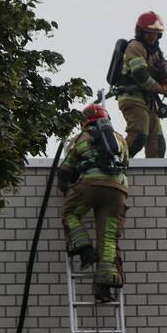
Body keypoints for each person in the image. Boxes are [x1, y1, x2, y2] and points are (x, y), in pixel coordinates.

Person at [58, 102, 130, 302]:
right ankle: (103, 288)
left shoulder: (81, 138)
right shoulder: (120, 140)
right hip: (118, 190)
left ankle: (85, 250)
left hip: (89, 185)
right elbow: (126, 165)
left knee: (71, 213)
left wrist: (63, 185)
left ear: (85, 122)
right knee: (107, 238)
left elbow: (65, 168)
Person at [114, 10, 167, 158]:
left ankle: (155, 175)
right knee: (138, 135)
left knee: (158, 143)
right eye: (149, 33)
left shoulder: (156, 51)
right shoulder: (135, 47)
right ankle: (115, 163)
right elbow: (141, 76)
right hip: (132, 97)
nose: (152, 36)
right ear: (141, 32)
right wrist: (162, 89)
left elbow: (156, 73)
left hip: (149, 100)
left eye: (156, 33)